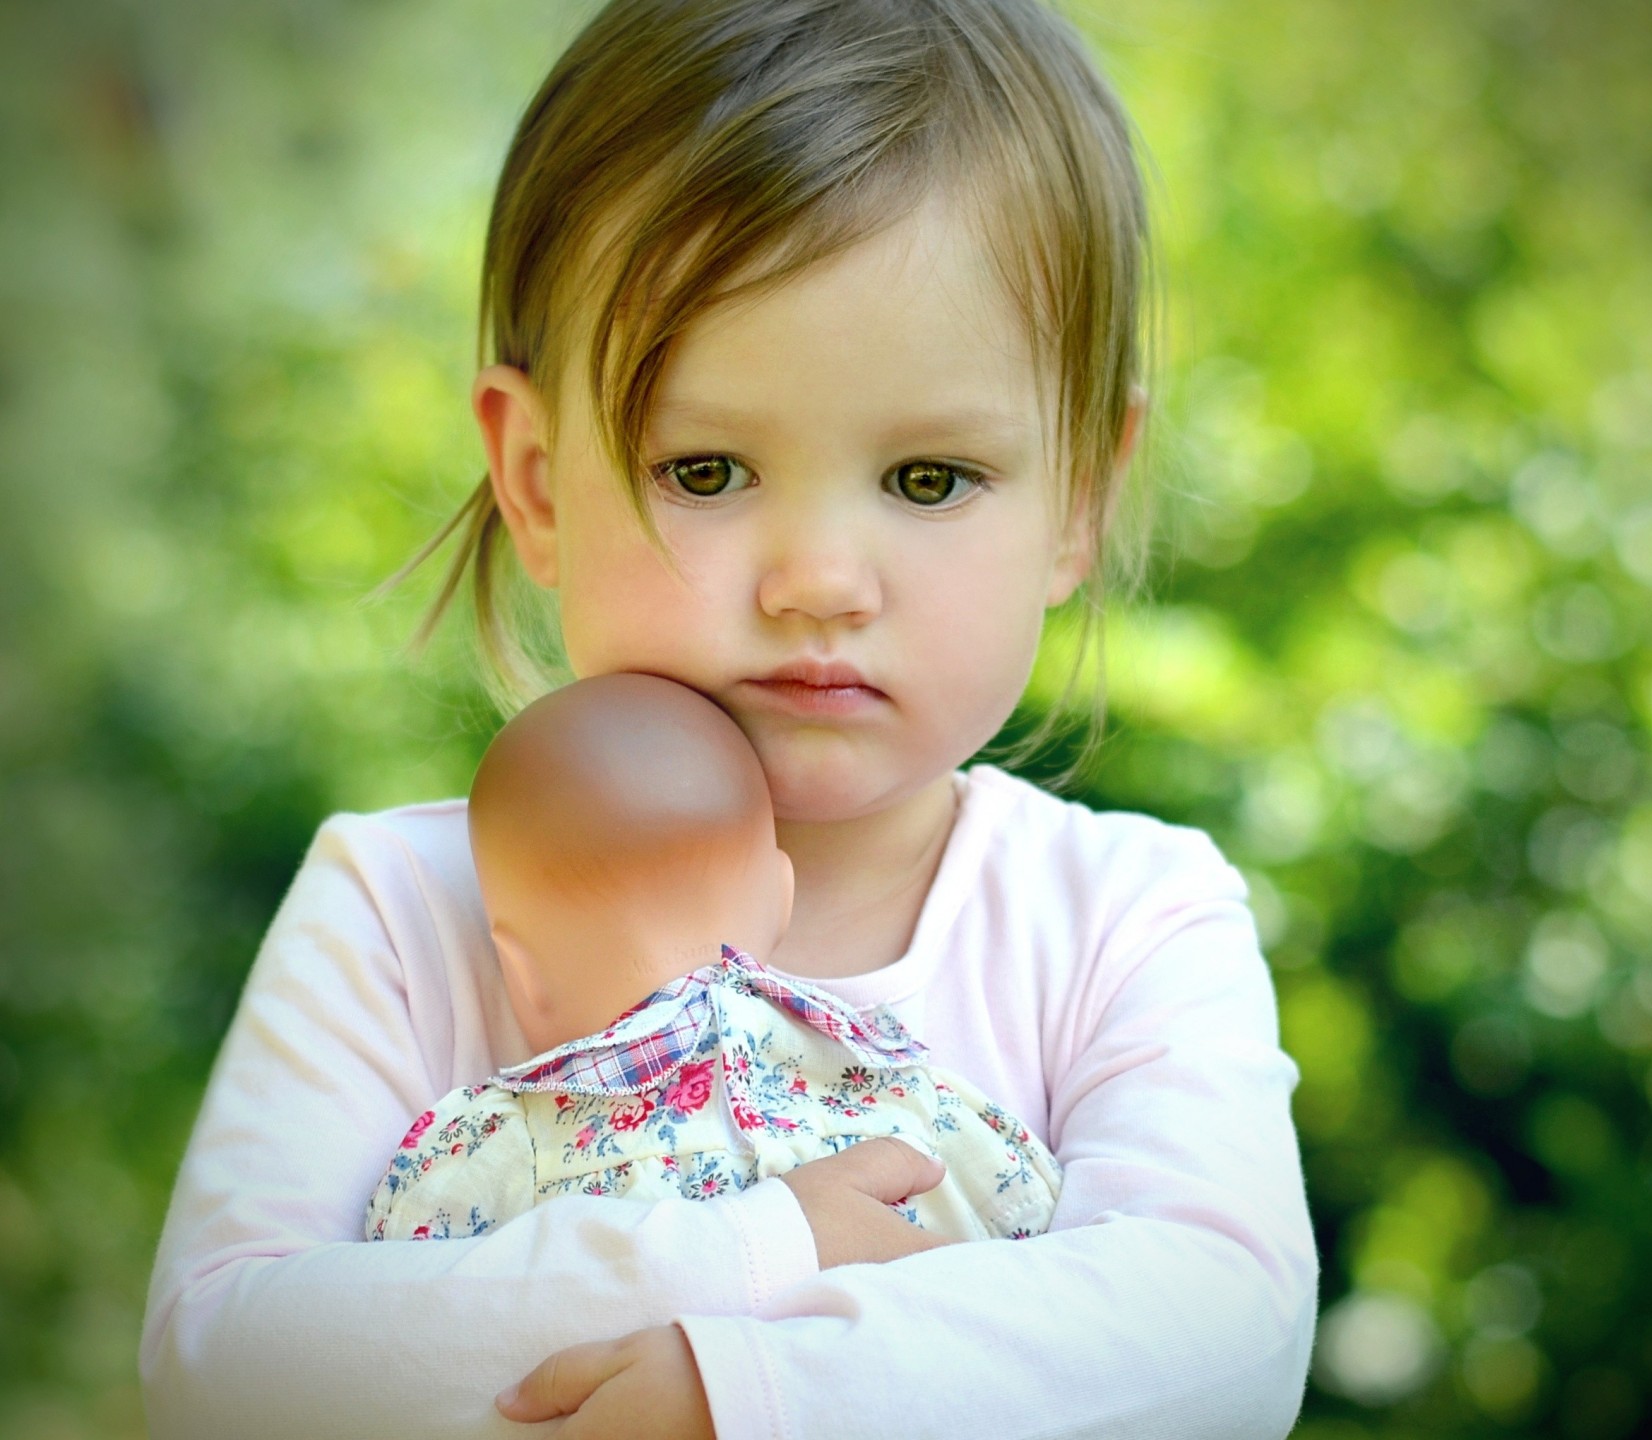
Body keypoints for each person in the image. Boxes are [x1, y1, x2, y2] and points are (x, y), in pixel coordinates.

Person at [139, 0, 1319, 1435]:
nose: (820, 581)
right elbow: (228, 1366)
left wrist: (749, 1388)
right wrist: (750, 1252)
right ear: (534, 479)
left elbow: (1220, 1329)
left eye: (931, 479)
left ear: (1081, 494)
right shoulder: (402, 911)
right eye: (705, 471)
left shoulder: (1122, 920)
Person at [365, 672, 1061, 1246]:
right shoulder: (901, 1088)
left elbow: (393, 1305)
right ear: (781, 898)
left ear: (521, 970)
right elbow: (1032, 1216)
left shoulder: (499, 1147)